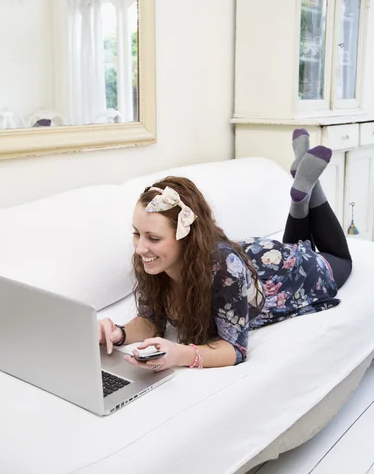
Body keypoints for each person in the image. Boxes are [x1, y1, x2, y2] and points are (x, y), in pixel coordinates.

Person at [98, 129, 352, 370]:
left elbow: (235, 349)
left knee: (340, 258)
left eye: (153, 238)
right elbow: (150, 321)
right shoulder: (152, 261)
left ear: (186, 236)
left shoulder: (222, 268)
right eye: (136, 233)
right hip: (256, 261)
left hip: (292, 271)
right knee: (292, 245)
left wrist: (179, 354)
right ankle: (301, 187)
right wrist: (117, 333)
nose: (141, 248)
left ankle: (308, 183)